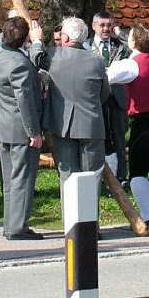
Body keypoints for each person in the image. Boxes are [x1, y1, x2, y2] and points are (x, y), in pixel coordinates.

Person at [106, 23, 149, 231]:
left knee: (138, 171)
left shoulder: (130, 64)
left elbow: (106, 76)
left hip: (144, 121)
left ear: (134, 42)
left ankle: (146, 217)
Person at [0, 16, 46, 240]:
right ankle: (18, 227)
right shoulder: (19, 64)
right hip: (21, 129)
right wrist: (34, 132)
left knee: (10, 181)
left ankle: (10, 223)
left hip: (3, 125)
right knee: (22, 178)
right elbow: (25, 101)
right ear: (24, 40)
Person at [46, 17, 109, 184]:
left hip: (62, 124)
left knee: (68, 177)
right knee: (92, 178)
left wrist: (37, 41)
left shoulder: (53, 55)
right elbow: (104, 93)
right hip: (91, 124)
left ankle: (69, 210)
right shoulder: (98, 60)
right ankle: (89, 210)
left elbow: (35, 58)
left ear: (65, 38)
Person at [91, 11, 130, 183]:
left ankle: (121, 177)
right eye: (102, 25)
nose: (106, 29)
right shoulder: (86, 46)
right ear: (94, 26)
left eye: (109, 25)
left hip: (118, 98)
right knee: (100, 139)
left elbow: (135, 48)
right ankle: (103, 177)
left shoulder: (120, 45)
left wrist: (120, 34)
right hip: (97, 100)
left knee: (119, 139)